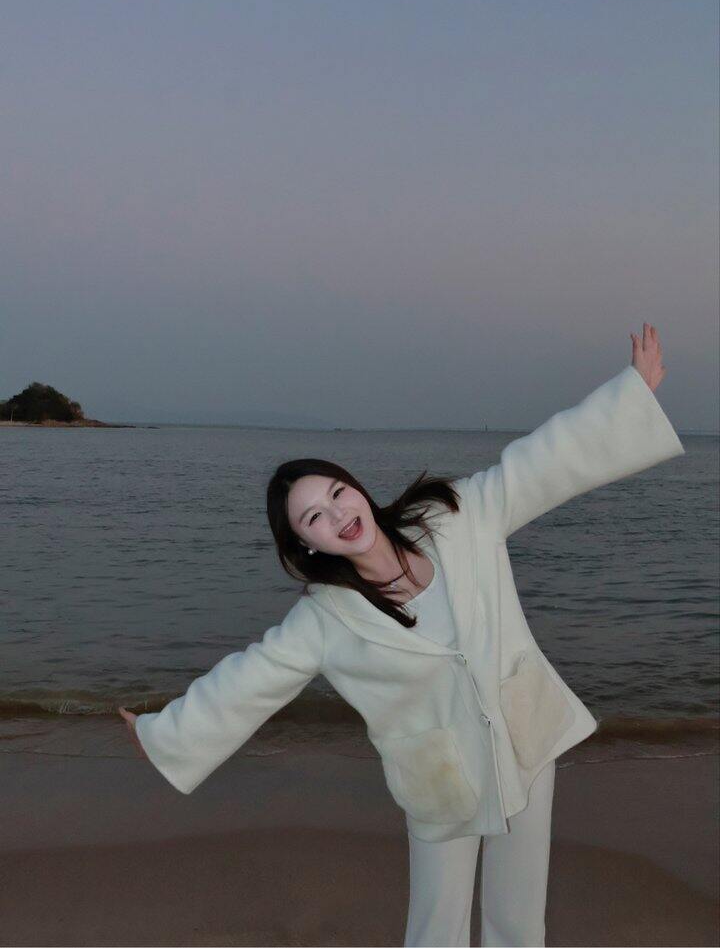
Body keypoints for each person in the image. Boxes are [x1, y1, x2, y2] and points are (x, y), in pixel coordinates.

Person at [119, 322, 683, 947]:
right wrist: (165, 733)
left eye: (338, 493)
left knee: (520, 912)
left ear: (357, 488)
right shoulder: (324, 617)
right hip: (438, 773)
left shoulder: (454, 517)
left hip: (522, 730)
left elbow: (539, 463)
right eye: (315, 516)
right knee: (437, 923)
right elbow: (252, 678)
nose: (338, 513)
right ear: (307, 543)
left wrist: (631, 395)